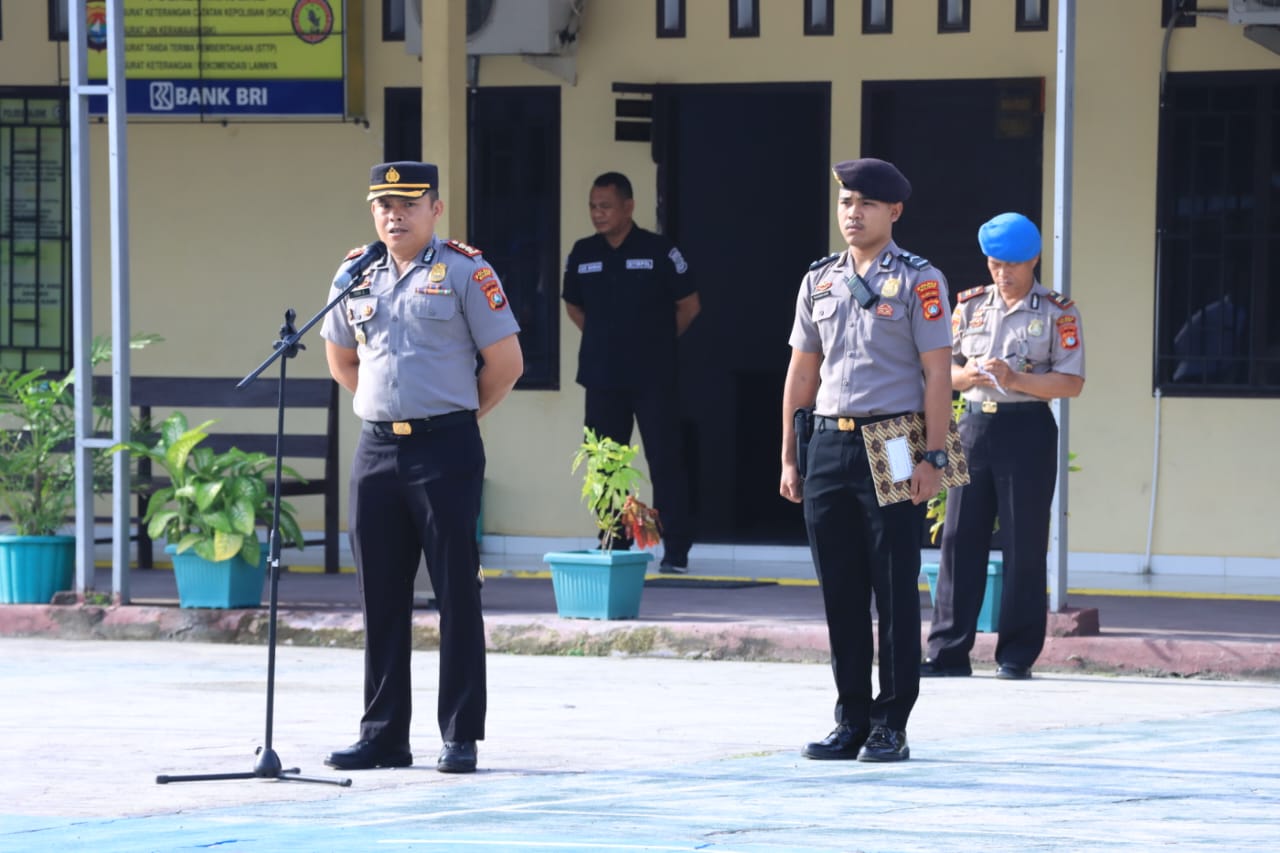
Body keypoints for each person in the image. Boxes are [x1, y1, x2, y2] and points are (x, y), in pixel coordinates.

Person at [320, 161, 523, 774]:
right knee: (380, 597)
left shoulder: (466, 271)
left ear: (435, 208)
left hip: (445, 449)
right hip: (378, 450)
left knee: (456, 593)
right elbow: (342, 361)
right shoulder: (354, 274)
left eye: (408, 204)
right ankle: (383, 735)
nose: (394, 215)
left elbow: (504, 364)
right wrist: (391, 412)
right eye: (383, 204)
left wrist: (453, 417)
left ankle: (459, 734)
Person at [780, 158, 952, 762]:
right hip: (828, 438)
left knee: (893, 587)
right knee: (841, 589)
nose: (852, 214)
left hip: (896, 438)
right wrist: (790, 457)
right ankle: (850, 717)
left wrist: (934, 456)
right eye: (846, 203)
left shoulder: (920, 280)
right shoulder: (819, 280)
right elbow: (802, 372)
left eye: (866, 204)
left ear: (894, 211)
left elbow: (937, 376)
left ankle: (892, 722)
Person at [921, 212, 1085, 681]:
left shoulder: (1057, 311)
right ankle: (948, 652)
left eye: (1012, 264)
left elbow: (1072, 383)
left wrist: (1018, 379)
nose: (1002, 273)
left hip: (1027, 427)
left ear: (1033, 259)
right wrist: (965, 377)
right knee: (957, 540)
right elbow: (939, 371)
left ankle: (1016, 653)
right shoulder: (969, 307)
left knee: (1024, 540)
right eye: (995, 264)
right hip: (972, 426)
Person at [562, 172, 700, 572]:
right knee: (607, 465)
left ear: (628, 206)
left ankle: (674, 551)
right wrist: (607, 339)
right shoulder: (583, 253)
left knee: (664, 463)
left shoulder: (659, 251)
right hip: (602, 378)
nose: (597, 214)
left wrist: (654, 341)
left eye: (605, 206)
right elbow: (574, 306)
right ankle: (614, 543)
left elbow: (689, 305)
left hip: (654, 377)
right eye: (592, 206)